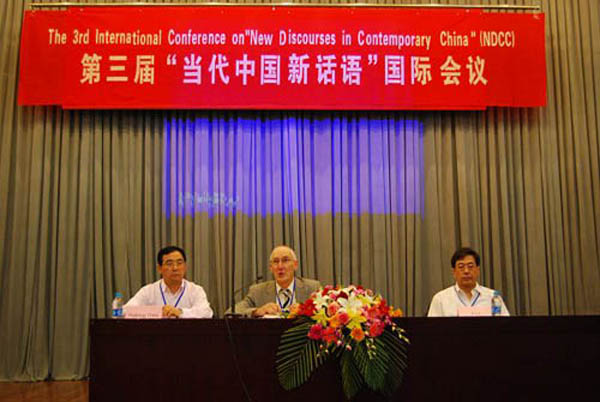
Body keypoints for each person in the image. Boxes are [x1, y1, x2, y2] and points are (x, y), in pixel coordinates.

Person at [231, 245, 321, 317]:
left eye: (285, 260)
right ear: (271, 268)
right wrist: (257, 311)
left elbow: (324, 313)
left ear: (295, 265)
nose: (280, 266)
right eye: (276, 261)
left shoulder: (312, 288)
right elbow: (232, 311)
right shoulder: (257, 291)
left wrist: (303, 310)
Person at [124, 245, 213, 318]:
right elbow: (125, 311)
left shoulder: (195, 290)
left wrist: (180, 312)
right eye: (169, 264)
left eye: (179, 263)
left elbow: (207, 312)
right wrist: (157, 312)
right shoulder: (148, 291)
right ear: (159, 268)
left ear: (185, 266)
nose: (175, 268)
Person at [427, 247, 510, 317]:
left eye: (470, 266)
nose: (466, 271)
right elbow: (433, 329)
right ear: (454, 272)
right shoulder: (440, 299)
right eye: (461, 267)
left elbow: (505, 327)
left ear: (478, 270)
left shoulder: (493, 297)